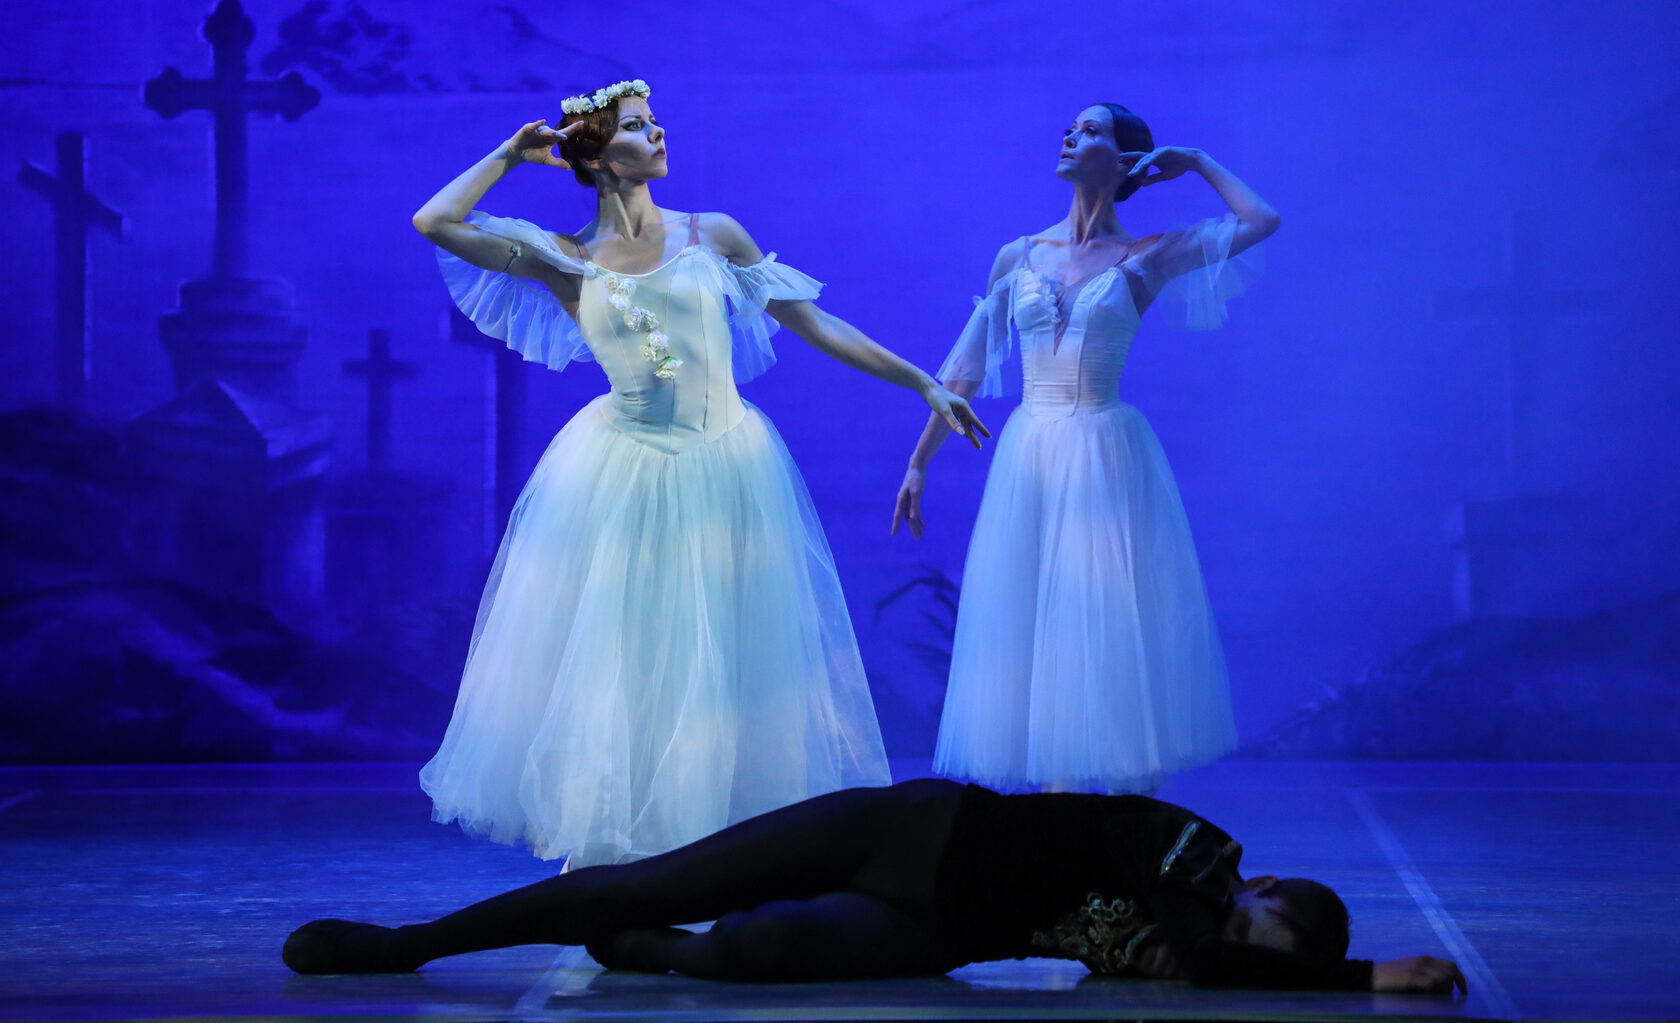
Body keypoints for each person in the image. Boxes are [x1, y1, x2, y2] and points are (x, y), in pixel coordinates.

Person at [410, 80, 987, 867]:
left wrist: (922, 381)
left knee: (732, 660)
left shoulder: (711, 234)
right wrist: (510, 156)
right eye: (638, 126)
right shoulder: (567, 259)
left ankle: (729, 851)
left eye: (655, 122)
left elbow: (813, 321)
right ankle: (615, 851)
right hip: (625, 471)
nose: (658, 134)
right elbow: (435, 222)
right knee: (629, 658)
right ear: (598, 156)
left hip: (730, 467)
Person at [893, 103, 1277, 794]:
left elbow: (1261, 221)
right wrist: (920, 462)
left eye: (1092, 130)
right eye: (1071, 128)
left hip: (1103, 452)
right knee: (1034, 617)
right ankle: (1054, 801)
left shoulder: (1149, 254)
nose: (1072, 136)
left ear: (1126, 160)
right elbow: (965, 371)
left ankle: (1121, 803)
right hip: (1031, 456)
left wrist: (1195, 162)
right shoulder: (1019, 255)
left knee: (1102, 615)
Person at [282, 778, 1466, 995]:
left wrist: (1307, 974)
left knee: (740, 955)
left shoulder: (1196, 947)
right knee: (638, 883)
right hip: (907, 829)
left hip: (935, 926)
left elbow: (1202, 967)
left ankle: (652, 950)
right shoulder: (1200, 852)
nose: (1234, 935)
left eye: (1256, 950)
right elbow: (1198, 949)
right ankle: (404, 944)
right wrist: (1366, 976)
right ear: (1261, 883)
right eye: (1257, 921)